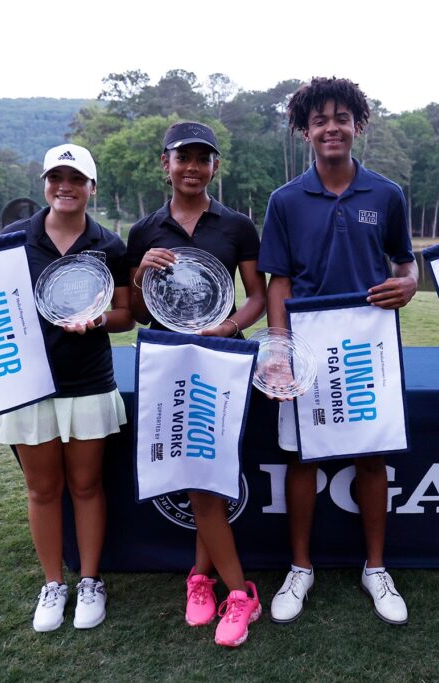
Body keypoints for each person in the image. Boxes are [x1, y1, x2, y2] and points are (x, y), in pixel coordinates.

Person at [0, 143, 134, 632]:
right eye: (56, 178)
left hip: (88, 382)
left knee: (87, 485)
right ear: (45, 185)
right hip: (28, 383)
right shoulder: (12, 237)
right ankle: (53, 584)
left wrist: (97, 320)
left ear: (91, 188)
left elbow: (125, 314)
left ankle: (90, 580)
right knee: (43, 488)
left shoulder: (110, 245)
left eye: (76, 179)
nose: (65, 187)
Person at [257, 77, 418, 626]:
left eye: (341, 117)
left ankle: (376, 568)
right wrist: (279, 347)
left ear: (358, 125)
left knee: (371, 458)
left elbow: (405, 264)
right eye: (320, 119)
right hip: (305, 350)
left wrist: (411, 283)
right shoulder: (284, 200)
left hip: (366, 348)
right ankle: (300, 567)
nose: (332, 127)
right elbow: (277, 281)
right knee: (303, 460)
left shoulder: (387, 194)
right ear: (306, 130)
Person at [126, 121, 267, 648]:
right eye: (181, 158)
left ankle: (230, 590)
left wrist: (229, 326)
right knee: (195, 477)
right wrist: (140, 271)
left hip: (221, 359)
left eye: (201, 158)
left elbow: (256, 294)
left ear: (214, 167)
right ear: (165, 164)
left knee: (207, 474)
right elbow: (138, 311)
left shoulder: (237, 226)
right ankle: (210, 582)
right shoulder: (144, 233)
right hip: (167, 363)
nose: (191, 167)